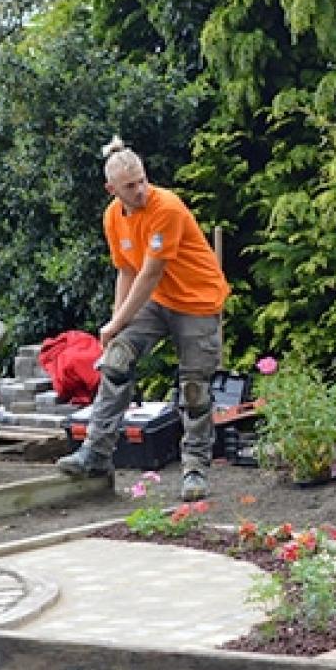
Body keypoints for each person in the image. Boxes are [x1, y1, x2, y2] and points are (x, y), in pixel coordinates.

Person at [56, 136, 229, 501]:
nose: (140, 190)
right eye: (130, 186)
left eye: (142, 181)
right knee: (116, 359)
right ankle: (96, 453)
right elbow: (127, 271)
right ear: (111, 189)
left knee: (194, 387)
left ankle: (195, 469)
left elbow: (150, 272)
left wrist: (116, 323)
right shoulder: (112, 218)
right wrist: (115, 325)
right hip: (156, 301)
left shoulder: (166, 208)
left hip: (197, 301)